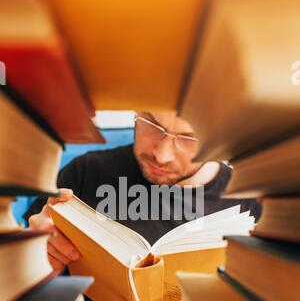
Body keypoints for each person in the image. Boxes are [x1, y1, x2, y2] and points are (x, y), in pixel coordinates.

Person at [25, 111, 261, 273]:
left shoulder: (248, 199)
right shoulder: (85, 173)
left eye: (189, 138)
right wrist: (34, 251)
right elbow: (21, 269)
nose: (162, 155)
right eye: (153, 125)